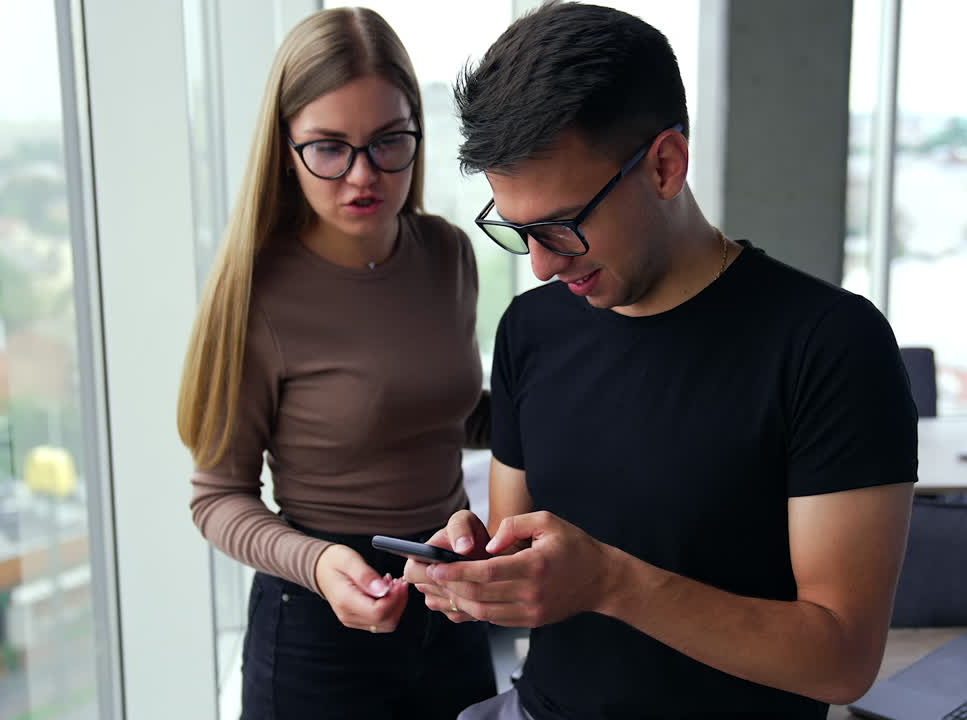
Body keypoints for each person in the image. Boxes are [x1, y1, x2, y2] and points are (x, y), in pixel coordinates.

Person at [404, 4, 919, 719]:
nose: (544, 265)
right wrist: (476, 570)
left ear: (666, 165)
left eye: (560, 227)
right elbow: (520, 562)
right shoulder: (531, 330)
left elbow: (842, 659)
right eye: (518, 230)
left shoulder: (830, 346)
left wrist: (614, 583)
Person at [176, 7, 495, 719]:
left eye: (390, 142)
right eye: (328, 148)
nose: (363, 175)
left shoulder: (446, 253)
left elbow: (447, 411)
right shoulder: (257, 292)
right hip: (317, 621)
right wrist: (318, 564)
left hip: (449, 597)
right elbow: (216, 496)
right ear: (284, 149)